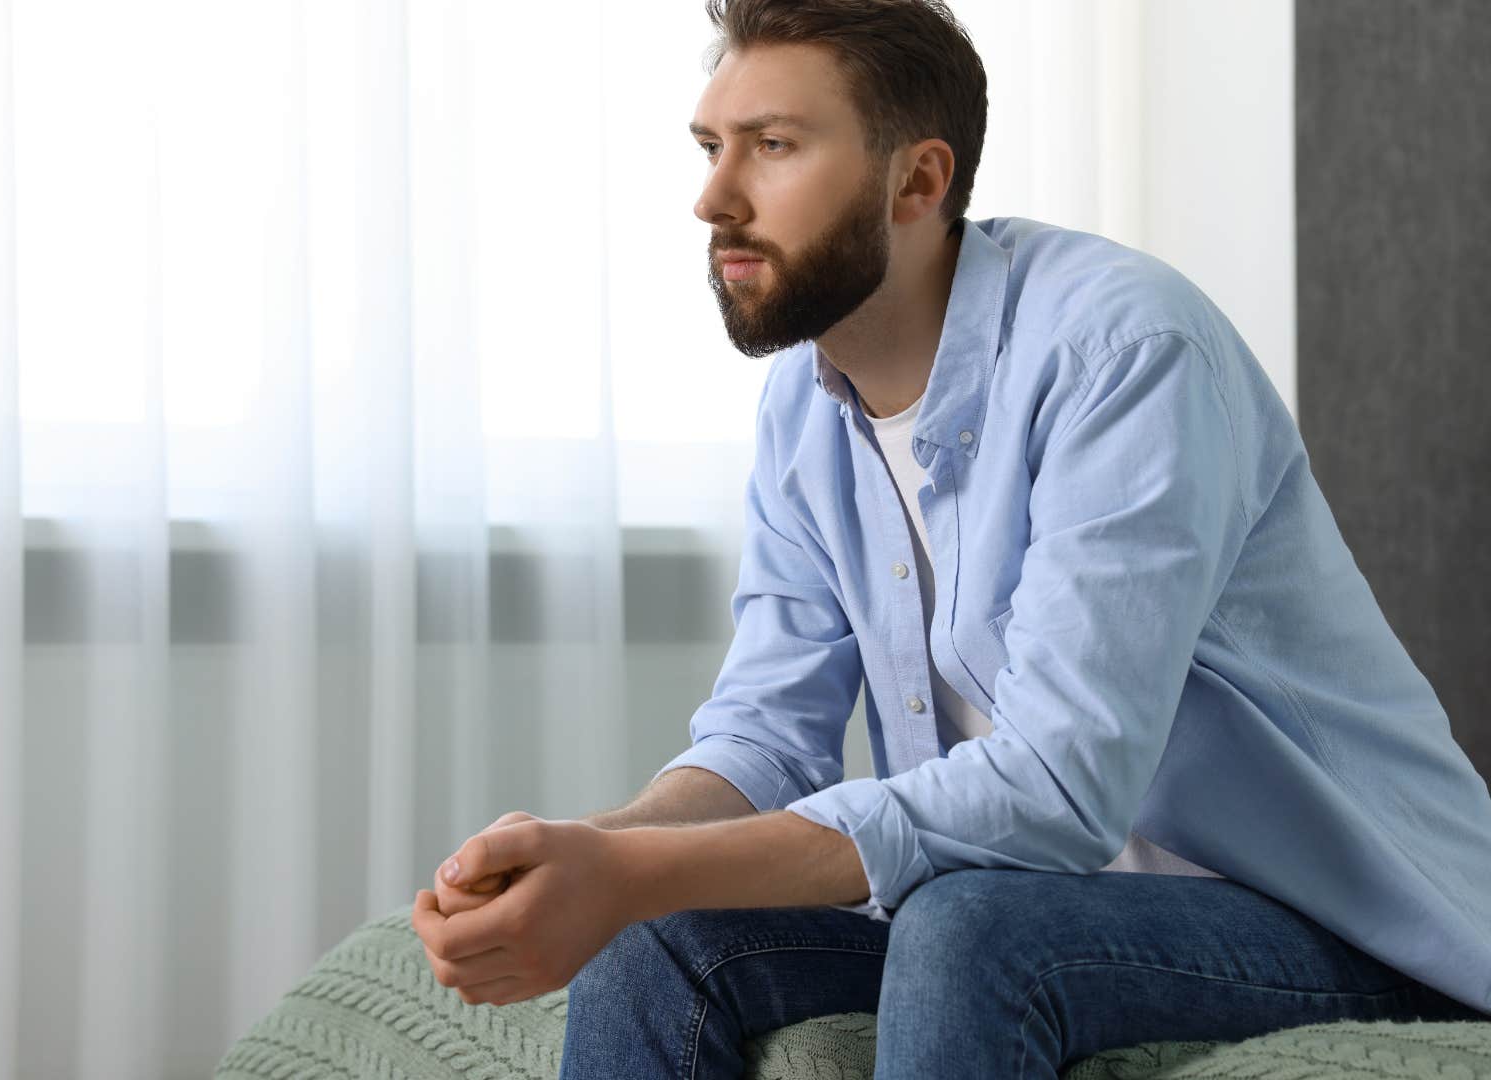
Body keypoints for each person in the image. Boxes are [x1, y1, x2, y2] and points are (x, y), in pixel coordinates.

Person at [408, 1, 1491, 1076]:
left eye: (772, 146)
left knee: (963, 927)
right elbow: (766, 738)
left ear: (918, 182)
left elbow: (1058, 787)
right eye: (710, 147)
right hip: (1045, 906)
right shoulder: (804, 407)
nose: (713, 199)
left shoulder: (1125, 354)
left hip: (1330, 916)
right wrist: (596, 856)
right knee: (654, 937)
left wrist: (638, 870)